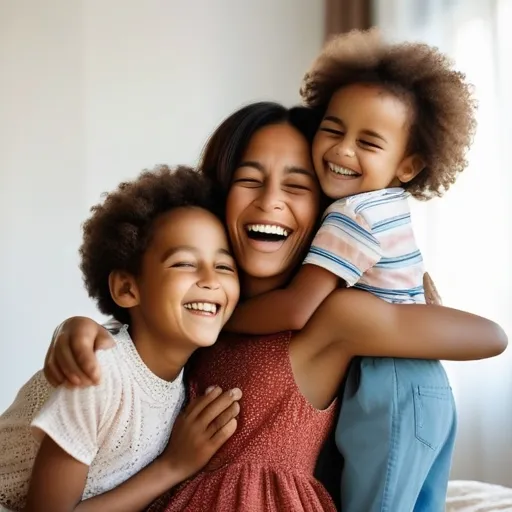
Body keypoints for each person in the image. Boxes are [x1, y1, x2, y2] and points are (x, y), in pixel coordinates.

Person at [42, 103, 507, 511]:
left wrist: (414, 303)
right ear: (219, 196)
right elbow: (131, 357)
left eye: (297, 186)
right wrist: (75, 327)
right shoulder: (201, 312)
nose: (271, 201)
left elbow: (492, 337)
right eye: (249, 180)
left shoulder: (336, 315)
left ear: (325, 210)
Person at [223, 29, 478, 510]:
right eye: (333, 130)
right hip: (429, 385)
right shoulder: (389, 204)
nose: (342, 151)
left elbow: (299, 307)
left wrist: (225, 320)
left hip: (390, 383)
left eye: (368, 142)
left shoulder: (352, 215)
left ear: (408, 164)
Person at [0, 166, 241, 512]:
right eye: (184, 264)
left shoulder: (184, 382)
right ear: (127, 288)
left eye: (224, 266)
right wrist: (173, 467)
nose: (210, 279)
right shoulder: (100, 376)